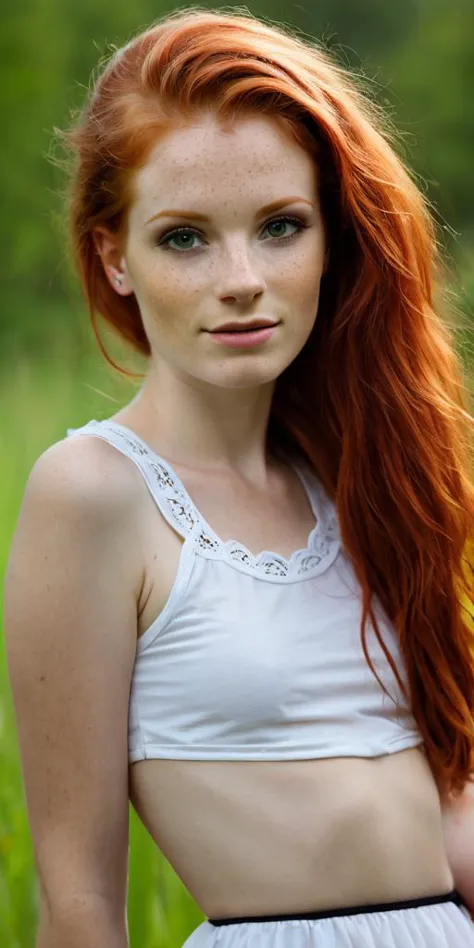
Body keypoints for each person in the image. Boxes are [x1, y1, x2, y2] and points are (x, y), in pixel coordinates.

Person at [4, 6, 474, 947]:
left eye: (280, 227)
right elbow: (80, 901)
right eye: (185, 237)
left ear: (332, 239)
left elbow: (450, 811)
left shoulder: (366, 477)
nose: (243, 278)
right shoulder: (93, 493)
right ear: (115, 256)